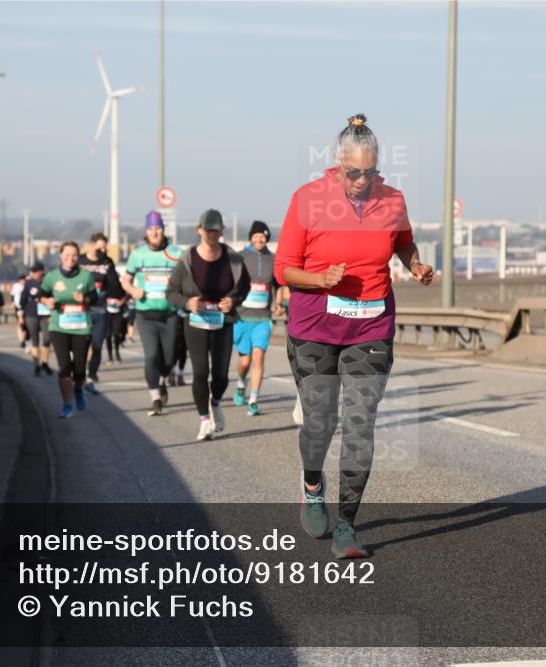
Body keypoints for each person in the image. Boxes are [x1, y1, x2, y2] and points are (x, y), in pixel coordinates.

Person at [274, 114, 434, 559]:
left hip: (371, 326)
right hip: (314, 328)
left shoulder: (393, 198)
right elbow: (282, 268)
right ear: (336, 163)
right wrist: (319, 279)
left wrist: (415, 264)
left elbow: (402, 241)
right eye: (353, 173)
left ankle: (346, 525)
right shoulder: (307, 200)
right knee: (319, 423)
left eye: (370, 171)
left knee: (360, 423)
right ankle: (312, 485)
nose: (362, 181)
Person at [166, 209, 250, 440]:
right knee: (201, 372)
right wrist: (187, 302)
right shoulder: (187, 259)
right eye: (207, 229)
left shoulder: (233, 259)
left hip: (223, 321)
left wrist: (233, 300)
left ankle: (215, 402)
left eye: (216, 230)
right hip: (196, 322)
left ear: (221, 231)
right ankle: (204, 419)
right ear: (199, 230)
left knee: (221, 375)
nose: (212, 234)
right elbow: (171, 292)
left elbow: (245, 288)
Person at [120, 211, 184, 416]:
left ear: (163, 230)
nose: (154, 232)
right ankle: (155, 397)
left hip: (170, 315)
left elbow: (185, 280)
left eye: (157, 228)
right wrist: (133, 291)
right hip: (146, 315)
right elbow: (126, 280)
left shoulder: (175, 254)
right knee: (151, 356)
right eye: (150, 229)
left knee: (168, 358)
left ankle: (164, 380)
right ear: (145, 232)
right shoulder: (137, 255)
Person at [39, 241, 97, 418]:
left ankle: (78, 389)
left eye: (74, 255)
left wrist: (84, 299)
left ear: (78, 256)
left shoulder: (86, 276)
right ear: (60, 255)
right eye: (67, 254)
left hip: (81, 327)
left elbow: (94, 297)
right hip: (59, 326)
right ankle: (66, 404)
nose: (70, 258)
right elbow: (42, 294)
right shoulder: (52, 276)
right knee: (64, 367)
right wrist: (46, 301)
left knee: (79, 369)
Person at [232, 220, 280, 416]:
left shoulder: (273, 259)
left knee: (259, 357)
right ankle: (241, 383)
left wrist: (277, 302)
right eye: (256, 235)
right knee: (245, 361)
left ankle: (253, 400)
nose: (260, 238)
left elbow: (278, 284)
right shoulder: (240, 257)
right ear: (250, 237)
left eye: (263, 236)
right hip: (242, 318)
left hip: (263, 318)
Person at [78, 233, 122, 395]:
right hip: (81, 311)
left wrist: (109, 269)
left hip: (100, 310)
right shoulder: (80, 261)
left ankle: (91, 377)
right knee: (81, 346)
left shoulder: (107, 262)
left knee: (97, 345)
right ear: (91, 245)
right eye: (99, 247)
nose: (103, 250)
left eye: (105, 247)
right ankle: (79, 376)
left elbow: (115, 288)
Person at [19, 262, 54, 377]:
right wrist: (22, 311)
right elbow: (23, 299)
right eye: (32, 272)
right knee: (34, 340)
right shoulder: (29, 283)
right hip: (31, 314)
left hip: (45, 314)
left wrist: (52, 313)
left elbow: (54, 297)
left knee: (47, 339)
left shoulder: (48, 281)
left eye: (35, 271)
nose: (33, 274)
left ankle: (45, 363)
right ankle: (36, 366)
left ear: (41, 271)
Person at [11, 274, 28, 348]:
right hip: (18, 306)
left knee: (25, 325)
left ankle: (25, 339)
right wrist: (12, 302)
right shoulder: (16, 286)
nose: (23, 281)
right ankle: (22, 340)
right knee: (20, 324)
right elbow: (12, 294)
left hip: (26, 307)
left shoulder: (27, 286)